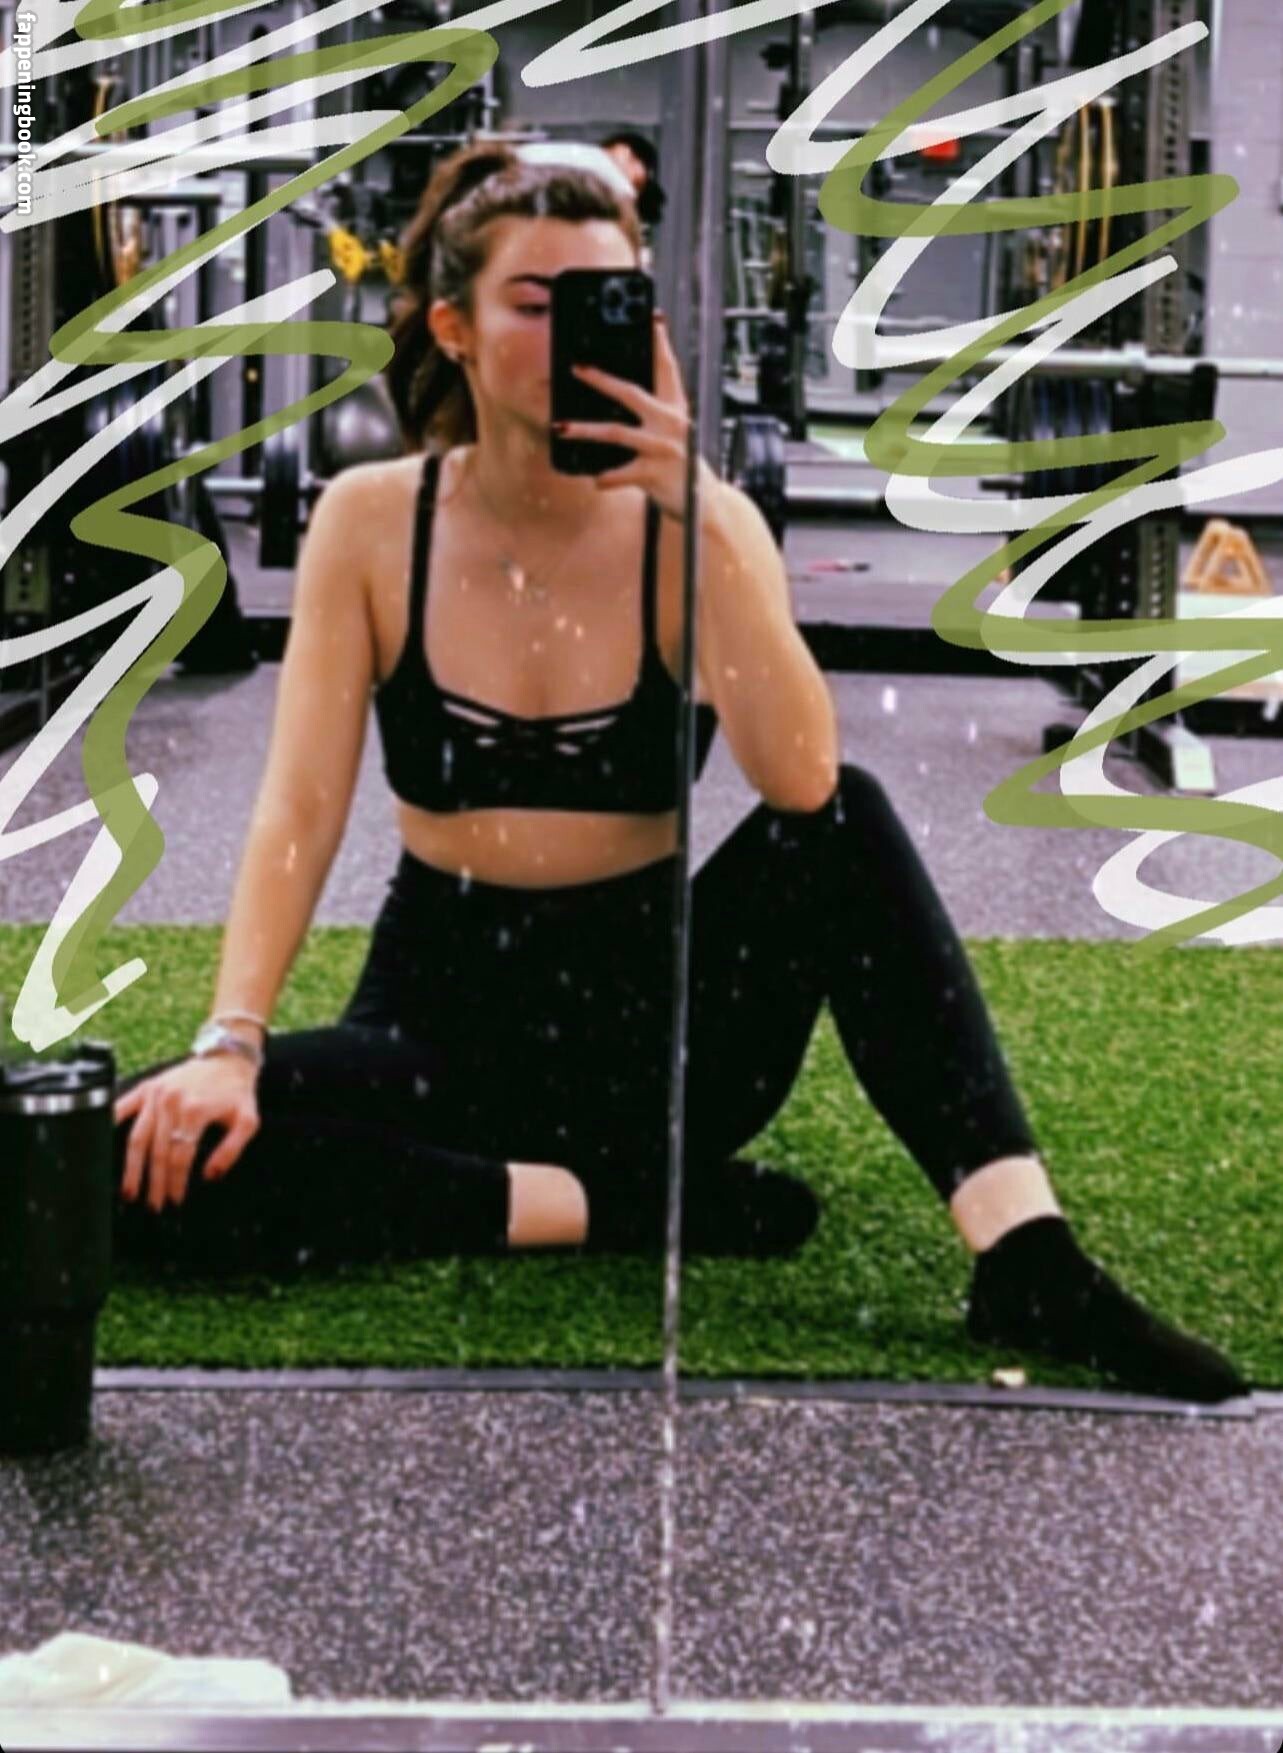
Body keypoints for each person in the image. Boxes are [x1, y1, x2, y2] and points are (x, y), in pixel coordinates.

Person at [111, 142, 1247, 1405]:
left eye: (602, 304)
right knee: (130, 1157)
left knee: (851, 815)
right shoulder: (372, 521)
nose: (568, 336)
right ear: (454, 327)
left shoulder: (701, 524)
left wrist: (698, 514)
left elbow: (801, 784)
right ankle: (612, 1207)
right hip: (435, 1028)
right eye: (531, 303)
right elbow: (299, 806)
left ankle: (1024, 1253)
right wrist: (230, 1043)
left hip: (662, 1045)